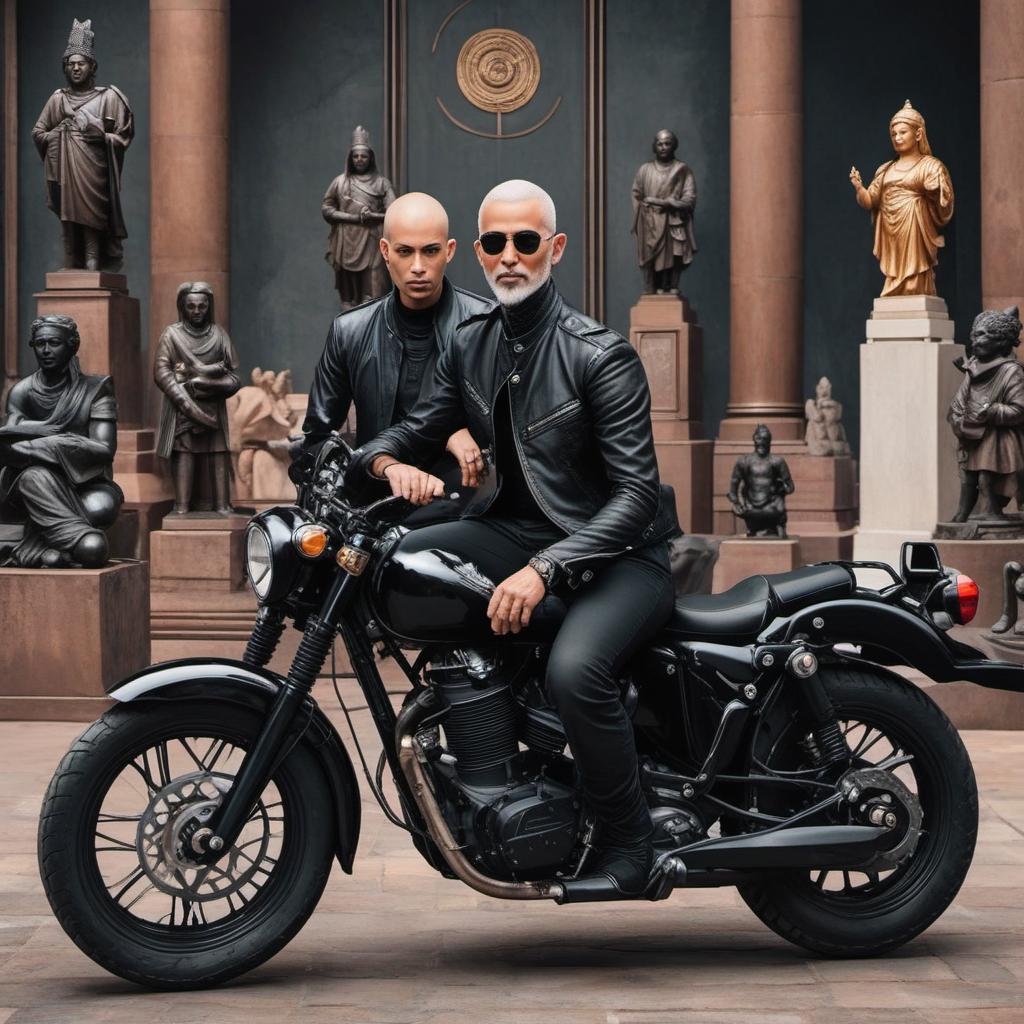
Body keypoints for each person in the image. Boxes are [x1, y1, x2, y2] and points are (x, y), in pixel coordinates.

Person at [352, 179, 679, 896]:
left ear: (554, 248)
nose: (508, 255)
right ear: (476, 250)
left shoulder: (599, 355)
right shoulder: (473, 343)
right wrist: (377, 461)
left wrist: (545, 570)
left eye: (524, 241)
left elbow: (633, 499)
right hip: (519, 530)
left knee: (573, 671)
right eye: (494, 242)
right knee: (406, 561)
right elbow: (419, 427)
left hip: (618, 555)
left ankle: (630, 843)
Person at [299, 192, 492, 514]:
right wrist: (386, 466)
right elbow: (317, 442)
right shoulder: (350, 331)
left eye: (430, 251)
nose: (418, 267)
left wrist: (461, 435)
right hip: (373, 507)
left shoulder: (486, 326)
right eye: (405, 252)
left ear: (450, 251)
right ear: (386, 252)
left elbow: (517, 436)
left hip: (465, 509)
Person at [0, 315, 122, 567]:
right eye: (40, 343)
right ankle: (58, 549)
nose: (46, 350)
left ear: (72, 345)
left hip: (86, 484)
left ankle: (35, 548)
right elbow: (9, 446)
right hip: (32, 484)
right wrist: (56, 440)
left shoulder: (95, 389)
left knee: (103, 506)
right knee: (93, 547)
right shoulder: (22, 392)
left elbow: (103, 449)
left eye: (54, 343)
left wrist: (44, 443)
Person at [31, 18, 134, 272]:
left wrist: (103, 136)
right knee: (67, 214)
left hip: (93, 170)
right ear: (65, 68)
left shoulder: (108, 97)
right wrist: (58, 134)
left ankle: (92, 262)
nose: (76, 69)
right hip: (65, 168)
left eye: (81, 64)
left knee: (92, 215)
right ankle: (70, 261)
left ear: (92, 66)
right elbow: (38, 132)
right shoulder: (58, 99)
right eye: (71, 64)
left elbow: (123, 136)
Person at [849, 100, 954, 297]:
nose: (897, 138)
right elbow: (870, 201)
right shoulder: (885, 169)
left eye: (902, 132)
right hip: (891, 229)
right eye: (893, 134)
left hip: (915, 224)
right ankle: (896, 284)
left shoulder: (930, 165)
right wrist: (859, 188)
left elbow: (943, 201)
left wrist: (934, 190)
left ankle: (916, 286)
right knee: (895, 270)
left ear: (918, 134)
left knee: (916, 273)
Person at [153, 283, 241, 514]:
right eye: (191, 306)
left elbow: (234, 376)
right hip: (183, 406)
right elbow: (161, 372)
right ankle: (181, 505)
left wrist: (209, 384)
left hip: (213, 405)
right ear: (183, 306)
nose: (197, 311)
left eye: (202, 306)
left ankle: (222, 504)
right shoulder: (172, 335)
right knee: (184, 451)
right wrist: (183, 400)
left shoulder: (219, 335)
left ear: (208, 307)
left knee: (218, 451)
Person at [948, 306, 1024, 521]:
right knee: (968, 476)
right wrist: (958, 417)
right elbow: (959, 401)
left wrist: (989, 410)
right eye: (974, 334)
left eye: (981, 335)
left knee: (985, 473)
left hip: (998, 440)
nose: (974, 340)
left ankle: (989, 509)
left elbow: (1019, 410)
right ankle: (965, 512)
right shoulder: (973, 368)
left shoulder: (1011, 371)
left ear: (1000, 340)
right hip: (972, 435)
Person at [321, 126, 397, 310]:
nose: (359, 160)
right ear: (350, 158)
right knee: (348, 299)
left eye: (363, 156)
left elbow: (395, 212)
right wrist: (354, 218)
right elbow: (326, 208)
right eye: (356, 156)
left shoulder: (381, 183)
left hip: (372, 242)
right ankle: (350, 334)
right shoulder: (340, 182)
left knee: (373, 297)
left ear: (370, 157)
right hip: (346, 243)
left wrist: (373, 216)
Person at [631, 129, 697, 294]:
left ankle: (670, 287)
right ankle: (653, 287)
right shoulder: (645, 170)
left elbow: (689, 199)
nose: (663, 147)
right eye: (660, 144)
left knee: (674, 255)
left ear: (673, 146)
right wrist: (644, 210)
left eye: (667, 143)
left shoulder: (682, 170)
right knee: (651, 262)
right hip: (650, 224)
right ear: (655, 146)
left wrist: (665, 203)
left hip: (673, 223)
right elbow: (636, 194)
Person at [727, 424, 795, 538]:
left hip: (772, 505)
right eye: (759, 438)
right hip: (751, 506)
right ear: (754, 440)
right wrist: (736, 502)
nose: (761, 442)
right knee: (742, 511)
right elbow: (734, 483)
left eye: (765, 439)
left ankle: (777, 525)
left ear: (769, 441)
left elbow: (790, 486)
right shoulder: (744, 461)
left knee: (778, 510)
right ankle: (754, 526)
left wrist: (782, 488)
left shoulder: (777, 461)